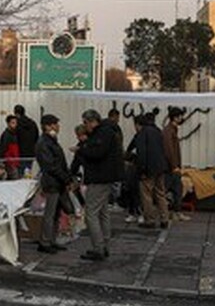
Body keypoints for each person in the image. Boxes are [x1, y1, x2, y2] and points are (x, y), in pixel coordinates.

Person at [76, 108, 124, 260]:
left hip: (99, 178)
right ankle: (104, 246)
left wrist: (82, 148)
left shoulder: (102, 133)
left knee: (91, 213)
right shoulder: (106, 131)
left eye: (86, 123)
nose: (85, 126)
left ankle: (98, 248)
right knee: (103, 213)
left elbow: (97, 153)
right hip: (105, 177)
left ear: (92, 121)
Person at [35, 114, 72, 253]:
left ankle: (52, 240)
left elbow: (60, 162)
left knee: (56, 213)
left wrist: (67, 178)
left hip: (58, 182)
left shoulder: (51, 141)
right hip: (52, 182)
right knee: (50, 214)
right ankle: (44, 242)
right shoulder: (43, 143)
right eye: (55, 124)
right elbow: (50, 166)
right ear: (47, 126)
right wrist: (65, 178)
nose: (58, 126)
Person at [133, 110, 170, 229]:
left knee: (147, 195)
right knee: (160, 193)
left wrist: (142, 170)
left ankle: (150, 220)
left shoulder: (142, 133)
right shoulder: (158, 131)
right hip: (161, 167)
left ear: (138, 124)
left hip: (148, 169)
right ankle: (164, 219)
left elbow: (141, 153)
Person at [163, 107, 190, 221]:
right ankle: (170, 213)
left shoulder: (172, 129)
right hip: (171, 168)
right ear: (175, 117)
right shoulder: (169, 131)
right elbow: (169, 150)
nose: (182, 118)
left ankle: (176, 212)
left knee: (177, 190)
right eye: (180, 116)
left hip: (173, 167)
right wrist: (174, 166)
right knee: (168, 190)